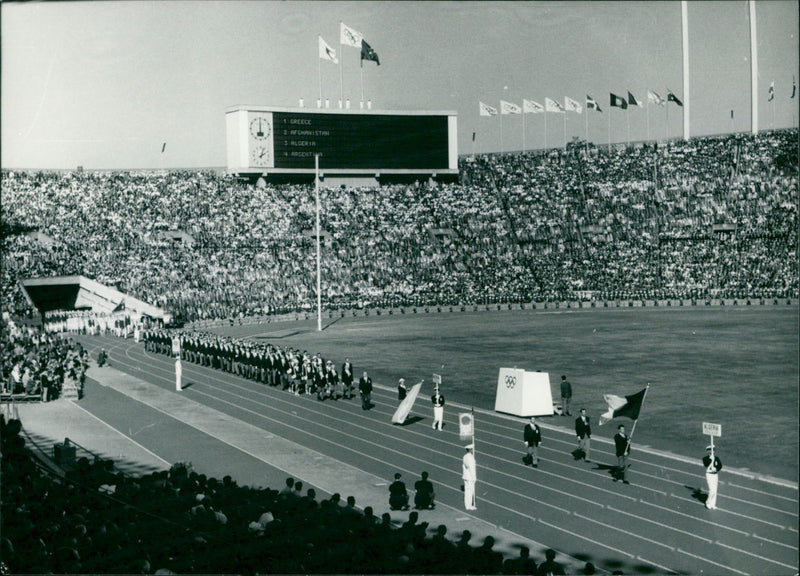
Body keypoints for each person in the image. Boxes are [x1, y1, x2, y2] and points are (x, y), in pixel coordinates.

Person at [462, 444, 477, 510]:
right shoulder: (470, 457)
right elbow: (471, 468)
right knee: (470, 491)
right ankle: (470, 506)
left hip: (465, 476)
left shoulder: (465, 456)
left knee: (467, 491)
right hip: (470, 477)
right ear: (470, 450)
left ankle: (467, 505)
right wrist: (474, 477)